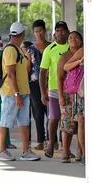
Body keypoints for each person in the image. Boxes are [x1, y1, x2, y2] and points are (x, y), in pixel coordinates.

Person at [0, 22, 40, 162]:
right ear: (21, 34)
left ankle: (26, 151)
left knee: (24, 122)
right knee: (5, 121)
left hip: (22, 92)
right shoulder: (10, 50)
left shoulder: (18, 49)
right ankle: (2, 151)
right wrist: (17, 94)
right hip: (11, 93)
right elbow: (10, 74)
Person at [39, 21, 69, 158]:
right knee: (54, 118)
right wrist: (42, 93)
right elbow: (43, 72)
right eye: (58, 30)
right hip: (54, 89)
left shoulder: (72, 47)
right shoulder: (49, 49)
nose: (60, 33)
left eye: (63, 30)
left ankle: (66, 148)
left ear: (67, 32)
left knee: (68, 120)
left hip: (70, 89)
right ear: (54, 33)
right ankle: (51, 142)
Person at [60, 31, 85, 164]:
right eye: (71, 37)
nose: (73, 39)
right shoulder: (82, 51)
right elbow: (65, 67)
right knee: (80, 122)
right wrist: (79, 62)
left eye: (76, 37)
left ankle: (81, 151)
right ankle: (84, 154)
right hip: (81, 93)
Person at [29, 19, 49, 150]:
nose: (38, 34)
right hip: (35, 84)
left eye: (40, 31)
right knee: (38, 112)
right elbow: (27, 68)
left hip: (49, 83)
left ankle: (53, 140)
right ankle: (41, 140)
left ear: (45, 31)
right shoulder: (31, 50)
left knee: (51, 113)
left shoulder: (51, 47)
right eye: (36, 32)